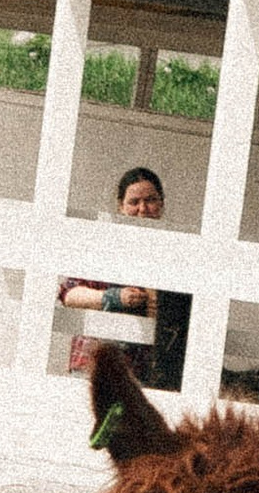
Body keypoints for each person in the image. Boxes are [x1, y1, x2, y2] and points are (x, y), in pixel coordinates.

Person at [61, 162, 187, 388]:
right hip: (94, 366)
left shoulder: (173, 255)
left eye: (150, 200)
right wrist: (114, 297)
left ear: (162, 204)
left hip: (145, 372)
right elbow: (69, 295)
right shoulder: (100, 246)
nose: (142, 209)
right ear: (120, 206)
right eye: (134, 202)